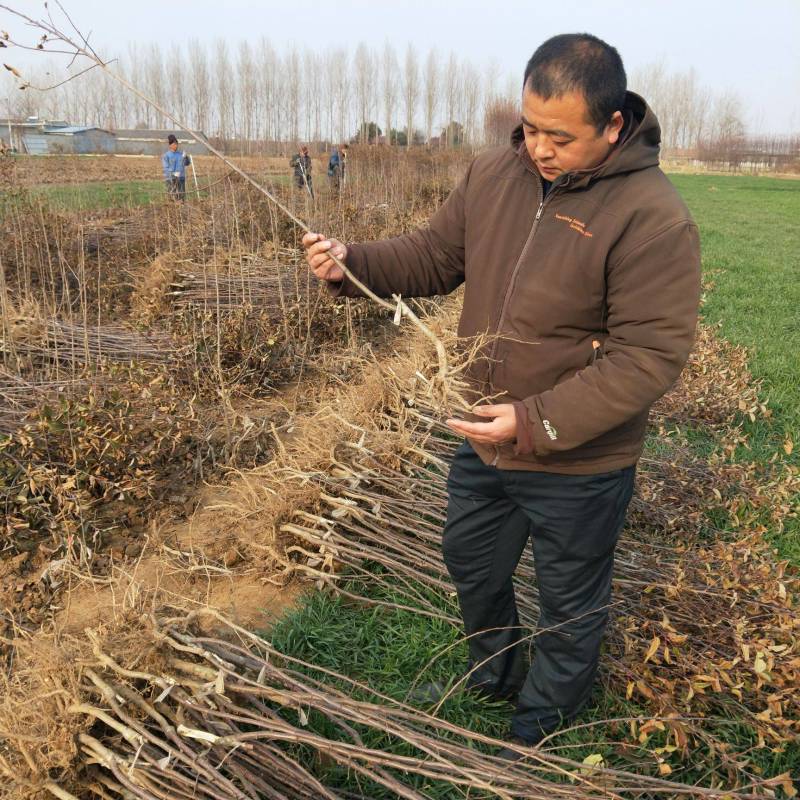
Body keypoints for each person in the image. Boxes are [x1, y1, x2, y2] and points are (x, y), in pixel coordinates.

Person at [303, 34, 701, 757]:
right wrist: (351, 262)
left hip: (579, 460)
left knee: (569, 603)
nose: (539, 149)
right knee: (471, 562)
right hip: (484, 436)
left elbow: (650, 355)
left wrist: (537, 418)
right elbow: (432, 255)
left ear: (613, 126)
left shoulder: (652, 215)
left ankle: (540, 726)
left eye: (560, 136)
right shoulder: (493, 174)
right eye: (530, 127)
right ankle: (492, 675)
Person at [162, 134, 190, 200]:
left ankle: (182, 207)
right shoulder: (166, 155)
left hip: (181, 178)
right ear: (170, 145)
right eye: (174, 144)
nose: (176, 146)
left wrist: (186, 157)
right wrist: (173, 174)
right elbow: (166, 168)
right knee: (171, 197)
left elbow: (187, 163)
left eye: (177, 144)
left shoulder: (180, 154)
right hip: (170, 179)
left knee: (181, 197)